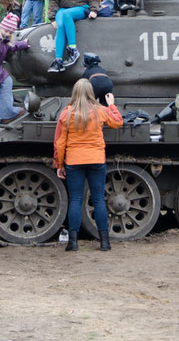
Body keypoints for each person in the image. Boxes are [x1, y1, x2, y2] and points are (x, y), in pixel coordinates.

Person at [53, 79, 123, 251]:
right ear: (91, 93)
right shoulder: (100, 110)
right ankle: (105, 242)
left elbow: (60, 143)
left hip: (74, 161)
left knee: (75, 199)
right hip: (96, 159)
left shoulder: (67, 113)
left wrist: (59, 164)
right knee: (99, 199)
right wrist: (112, 105)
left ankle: (73, 242)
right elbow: (117, 122)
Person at [47, 0, 101, 73]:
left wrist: (94, 9)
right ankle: (58, 60)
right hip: (64, 6)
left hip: (81, 6)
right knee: (60, 25)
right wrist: (52, 18)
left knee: (67, 15)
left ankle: (73, 49)